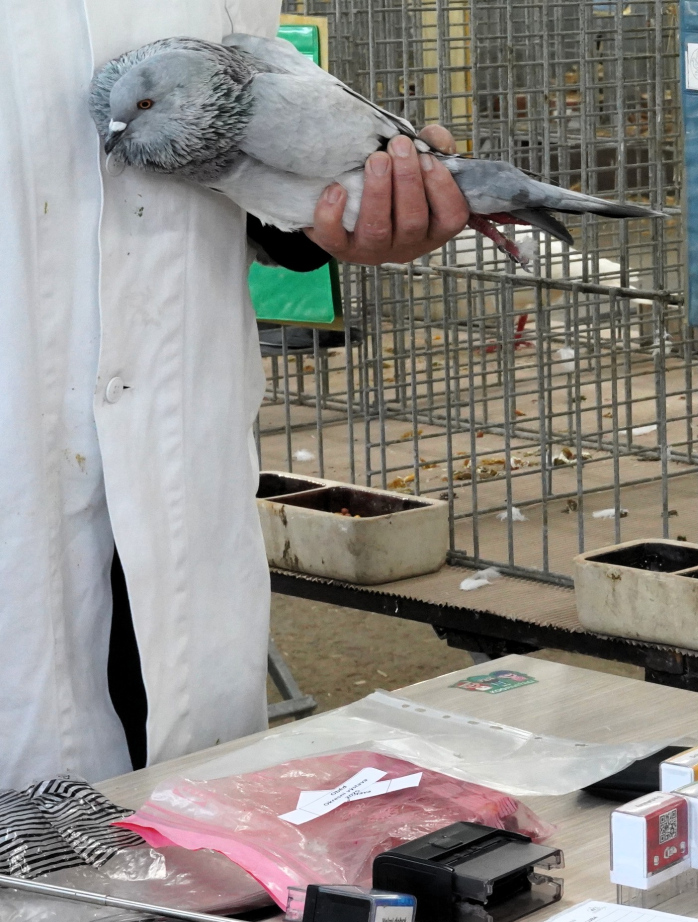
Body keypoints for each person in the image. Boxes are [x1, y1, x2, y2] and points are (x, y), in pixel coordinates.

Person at [0, 1, 467, 790]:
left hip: (179, 438)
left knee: (182, 793)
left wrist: (340, 204)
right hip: (19, 433)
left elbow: (237, 130)